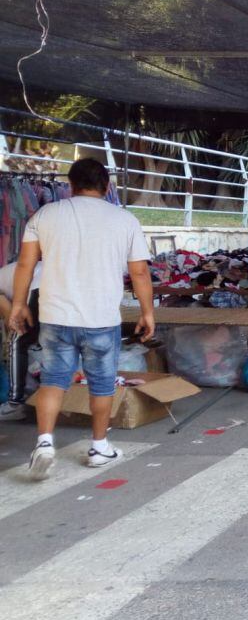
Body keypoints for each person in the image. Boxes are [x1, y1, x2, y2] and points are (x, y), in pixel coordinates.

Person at [7, 158, 154, 479]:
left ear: (70, 186)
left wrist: (19, 304)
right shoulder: (124, 220)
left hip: (56, 316)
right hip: (101, 318)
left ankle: (44, 443)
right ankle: (99, 447)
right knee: (101, 385)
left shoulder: (45, 215)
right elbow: (139, 271)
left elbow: (24, 266)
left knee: (53, 381)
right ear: (107, 186)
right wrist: (147, 312)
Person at [0, 260, 42, 421]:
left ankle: (15, 404)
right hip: (57, 284)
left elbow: (12, 318)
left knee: (18, 341)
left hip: (38, 284)